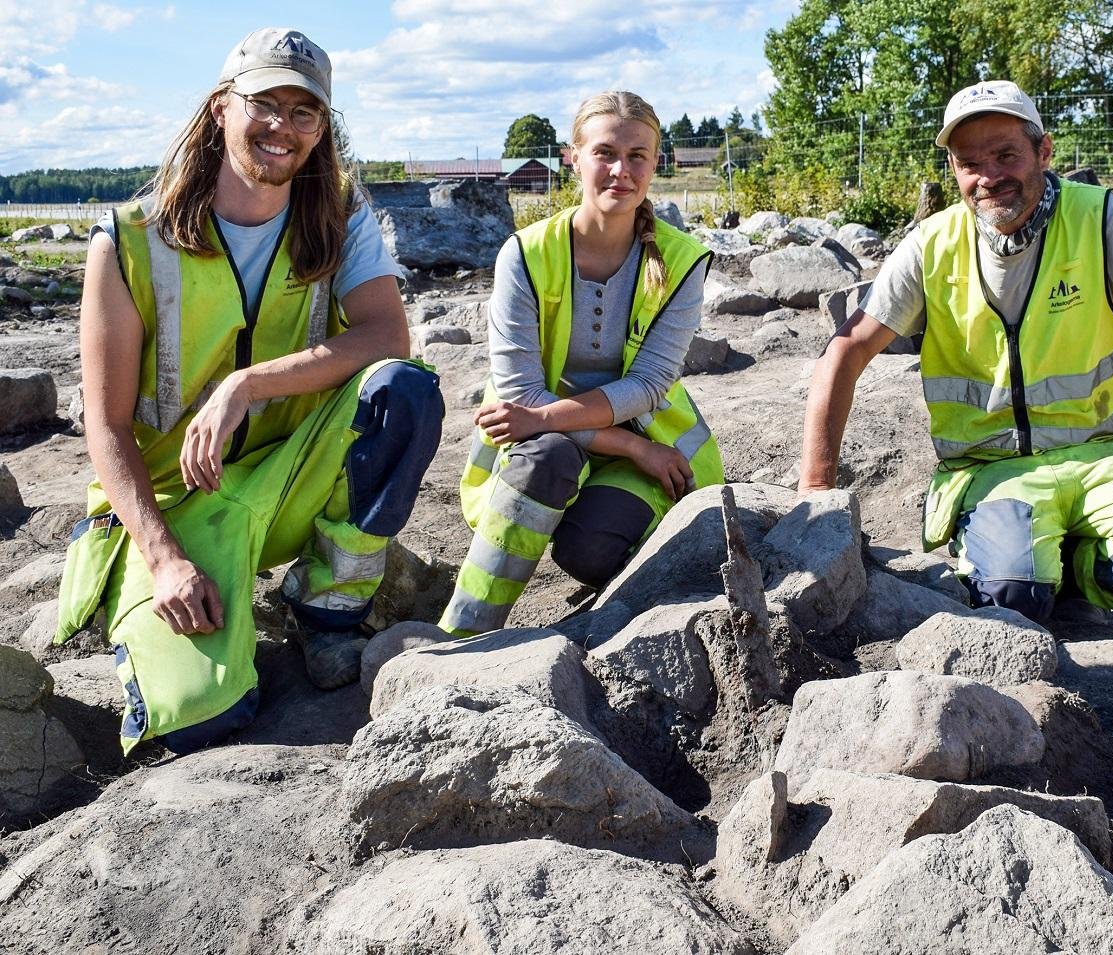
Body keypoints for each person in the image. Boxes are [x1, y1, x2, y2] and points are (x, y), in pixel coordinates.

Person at [54, 27, 444, 754]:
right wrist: (165, 557)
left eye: (305, 112)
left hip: (286, 474)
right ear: (220, 110)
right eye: (266, 103)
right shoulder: (128, 241)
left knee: (405, 391)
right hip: (172, 503)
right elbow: (105, 427)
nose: (283, 128)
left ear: (323, 127)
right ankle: (139, 593)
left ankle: (326, 609)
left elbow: (388, 337)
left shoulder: (339, 214)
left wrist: (246, 382)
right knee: (204, 719)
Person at [800, 80, 1113, 624]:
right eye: (968, 163)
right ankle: (1035, 567)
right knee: (1010, 601)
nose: (988, 177)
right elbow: (845, 351)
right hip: (995, 470)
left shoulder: (1101, 220)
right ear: (953, 170)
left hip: (1112, 454)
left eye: (1005, 155)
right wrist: (815, 495)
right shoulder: (932, 244)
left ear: (1044, 152)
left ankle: (1073, 568)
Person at [439, 90, 722, 636]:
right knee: (546, 455)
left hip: (645, 439)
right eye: (605, 153)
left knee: (589, 551)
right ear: (573, 156)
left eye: (638, 155)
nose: (621, 170)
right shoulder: (526, 253)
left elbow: (649, 385)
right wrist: (629, 444)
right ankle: (465, 633)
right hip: (562, 440)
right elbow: (522, 397)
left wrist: (625, 441)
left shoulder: (683, 261)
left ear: (656, 162)